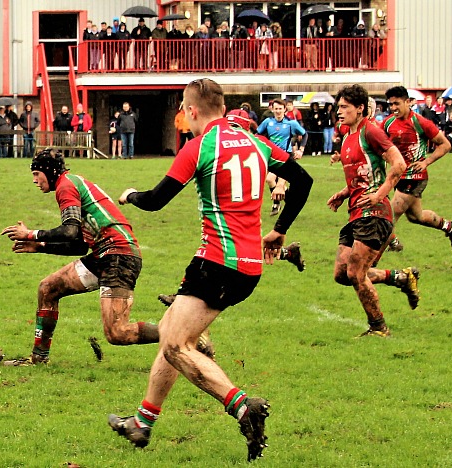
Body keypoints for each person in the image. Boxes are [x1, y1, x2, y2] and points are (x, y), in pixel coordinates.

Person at [109, 78, 313, 461]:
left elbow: (155, 201)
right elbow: (303, 181)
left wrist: (129, 195)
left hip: (217, 263)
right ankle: (142, 422)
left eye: (184, 111)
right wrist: (280, 230)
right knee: (173, 331)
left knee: (174, 345)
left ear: (191, 111)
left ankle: (241, 406)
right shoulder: (256, 141)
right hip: (248, 266)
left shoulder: (200, 146)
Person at [0, 149, 159, 366]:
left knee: (117, 333)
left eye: (37, 173)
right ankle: (38, 358)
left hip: (119, 256)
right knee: (48, 288)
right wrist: (40, 246)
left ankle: (186, 335)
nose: (35, 180)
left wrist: (31, 234)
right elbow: (78, 245)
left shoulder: (66, 186)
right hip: (103, 255)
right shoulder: (70, 184)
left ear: (49, 171)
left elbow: (69, 231)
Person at [327, 84, 420, 338]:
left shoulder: (371, 131)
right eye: (339, 107)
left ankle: (379, 328)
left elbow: (398, 164)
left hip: (375, 212)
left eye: (344, 107)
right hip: (356, 211)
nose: (339, 111)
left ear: (360, 109)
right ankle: (401, 277)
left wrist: (380, 194)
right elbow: (363, 175)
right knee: (341, 274)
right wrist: (344, 193)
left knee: (356, 273)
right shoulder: (348, 135)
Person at [381, 86, 452, 253]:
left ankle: (375, 259)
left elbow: (445, 145)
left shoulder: (420, 122)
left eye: (397, 103)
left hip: (415, 176)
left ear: (408, 102)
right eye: (391, 104)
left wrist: (426, 162)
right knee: (416, 216)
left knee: (388, 215)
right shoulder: (387, 123)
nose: (393, 108)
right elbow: (377, 143)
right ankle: (450, 227)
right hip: (400, 176)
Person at [258, 99, 308, 215]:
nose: (278, 111)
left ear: (285, 109)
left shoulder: (291, 123)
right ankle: (289, 204)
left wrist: (301, 150)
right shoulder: (267, 122)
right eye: (276, 108)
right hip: (273, 157)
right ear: (272, 109)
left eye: (280, 109)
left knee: (280, 184)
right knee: (270, 180)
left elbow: (304, 134)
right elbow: (258, 134)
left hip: (286, 157)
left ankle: (278, 205)